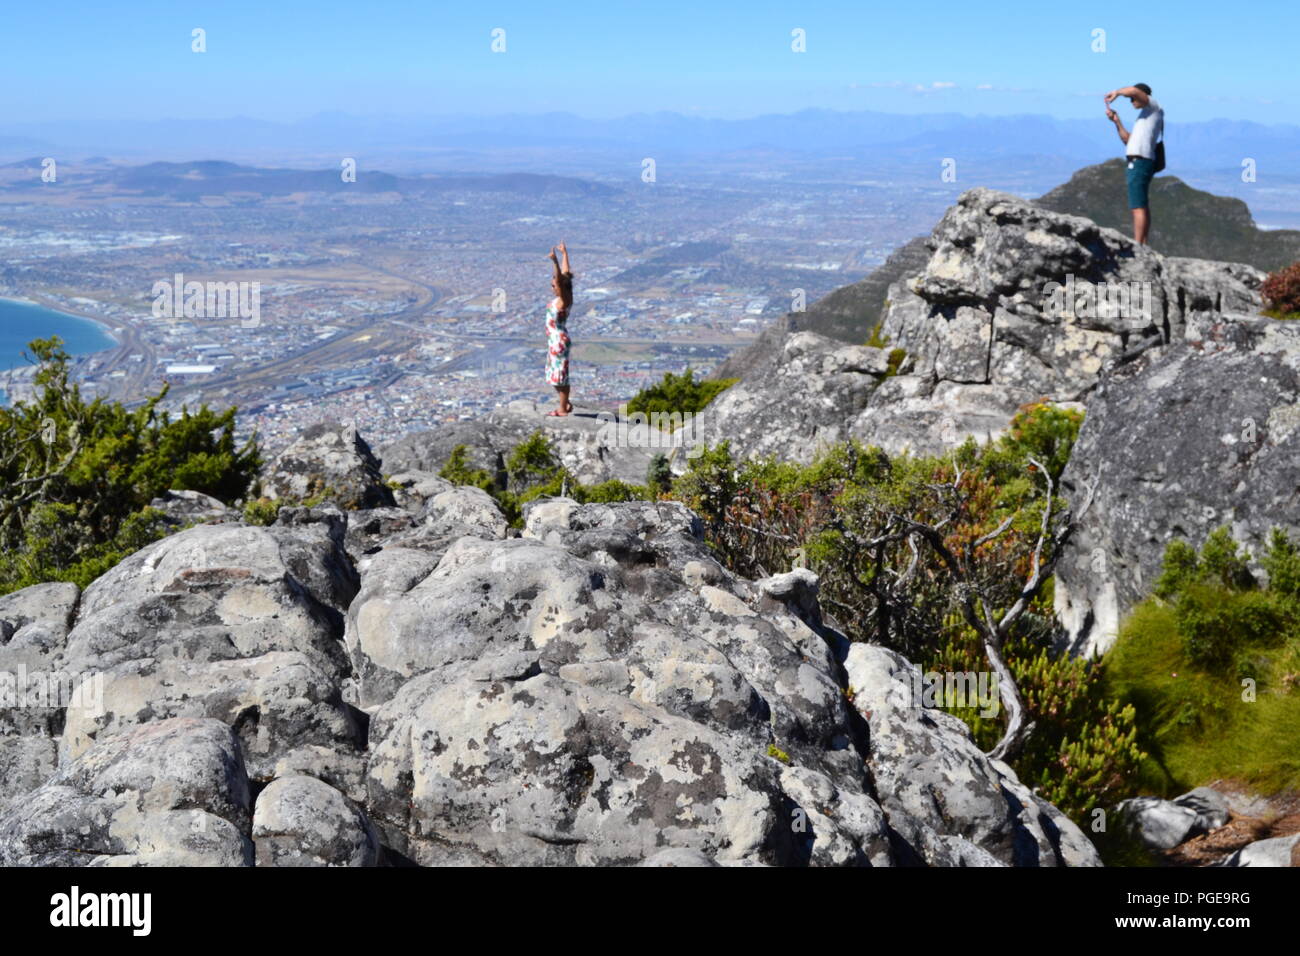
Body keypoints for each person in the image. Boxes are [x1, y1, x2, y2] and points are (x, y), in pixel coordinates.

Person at [1104, 83, 1164, 245]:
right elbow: (1127, 140)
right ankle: (1143, 243)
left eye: (1132, 99)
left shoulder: (1153, 106)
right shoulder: (1145, 116)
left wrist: (1116, 92)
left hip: (1139, 162)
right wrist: (1117, 122)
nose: (1131, 101)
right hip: (1139, 161)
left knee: (1137, 206)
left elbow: (1134, 90)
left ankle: (1138, 246)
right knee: (1141, 204)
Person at [544, 241, 574, 416]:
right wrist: (565, 255)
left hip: (559, 341)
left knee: (560, 376)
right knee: (555, 374)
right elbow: (565, 275)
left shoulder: (564, 299)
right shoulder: (568, 294)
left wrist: (554, 262)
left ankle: (563, 408)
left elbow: (561, 280)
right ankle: (565, 403)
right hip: (556, 340)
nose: (552, 287)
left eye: (553, 285)